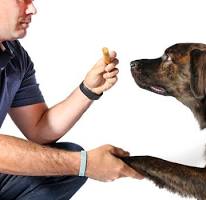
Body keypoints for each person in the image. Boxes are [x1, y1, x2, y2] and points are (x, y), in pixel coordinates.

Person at [0, 0, 143, 199]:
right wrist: (85, 164)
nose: (32, 9)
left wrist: (88, 90)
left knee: (66, 163)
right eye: (22, 0)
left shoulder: (15, 57)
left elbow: (39, 129)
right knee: (75, 161)